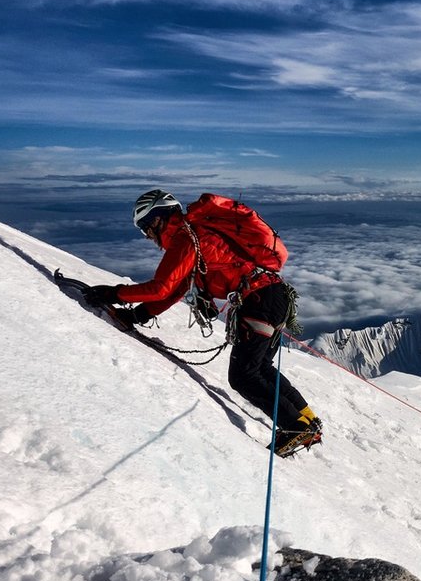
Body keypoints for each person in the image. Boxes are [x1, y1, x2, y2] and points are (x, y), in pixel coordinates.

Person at [84, 189, 322, 456]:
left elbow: (162, 287)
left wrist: (114, 293)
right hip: (272, 297)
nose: (148, 237)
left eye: (145, 228)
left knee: (244, 375)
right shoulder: (195, 235)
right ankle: (307, 419)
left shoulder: (185, 238)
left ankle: (295, 426)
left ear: (157, 219)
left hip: (259, 300)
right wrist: (138, 315)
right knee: (260, 369)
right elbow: (176, 289)